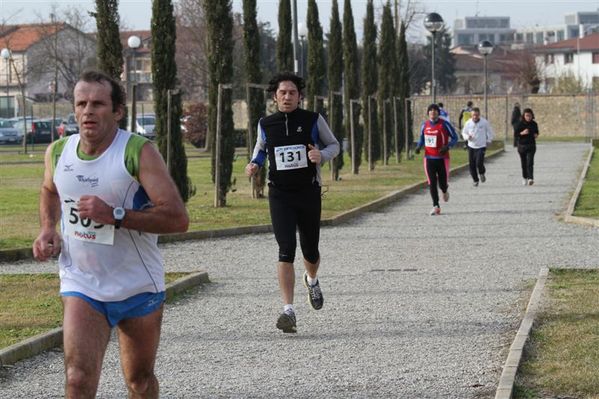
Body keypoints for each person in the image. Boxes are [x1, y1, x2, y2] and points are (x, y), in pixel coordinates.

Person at [32, 69, 189, 398]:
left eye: (98, 104)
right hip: (82, 284)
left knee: (139, 381)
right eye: (81, 103)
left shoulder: (138, 152)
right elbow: (50, 190)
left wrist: (115, 215)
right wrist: (48, 227)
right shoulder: (59, 152)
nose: (88, 111)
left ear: (117, 111)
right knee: (77, 378)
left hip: (137, 286)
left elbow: (177, 218)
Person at [245, 72, 340, 334]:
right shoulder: (266, 123)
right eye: (282, 92)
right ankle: (288, 310)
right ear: (275, 96)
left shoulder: (312, 120)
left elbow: (335, 145)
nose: (287, 96)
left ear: (300, 96)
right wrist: (254, 164)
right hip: (280, 194)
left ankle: (312, 279)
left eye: (292, 92)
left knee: (310, 250)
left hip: (308, 192)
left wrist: (321, 155)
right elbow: (262, 149)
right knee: (285, 249)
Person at [415, 103, 458, 215]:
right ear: (428, 113)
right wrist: (419, 146)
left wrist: (447, 146)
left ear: (438, 113)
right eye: (431, 111)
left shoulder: (444, 124)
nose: (433, 112)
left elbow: (455, 138)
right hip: (429, 158)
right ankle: (436, 206)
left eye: (435, 111)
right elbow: (422, 138)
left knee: (442, 183)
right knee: (432, 182)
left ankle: (444, 190)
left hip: (443, 158)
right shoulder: (425, 125)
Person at [461, 107, 494, 186]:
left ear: (479, 115)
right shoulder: (468, 123)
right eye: (473, 115)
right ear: (471, 116)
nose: (475, 117)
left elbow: (490, 132)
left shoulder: (484, 122)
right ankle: (475, 180)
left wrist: (489, 140)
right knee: (471, 164)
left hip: (481, 146)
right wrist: (467, 137)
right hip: (471, 146)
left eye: (476, 115)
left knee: (479, 163)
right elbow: (464, 132)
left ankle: (482, 172)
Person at [514, 107, 539, 186]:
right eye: (527, 116)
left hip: (531, 145)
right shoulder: (519, 124)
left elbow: (537, 132)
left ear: (532, 116)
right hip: (522, 146)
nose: (528, 117)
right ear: (524, 116)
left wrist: (536, 135)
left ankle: (530, 178)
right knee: (524, 163)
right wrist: (522, 133)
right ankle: (524, 177)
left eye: (530, 116)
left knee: (530, 162)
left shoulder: (534, 124)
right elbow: (515, 135)